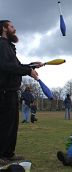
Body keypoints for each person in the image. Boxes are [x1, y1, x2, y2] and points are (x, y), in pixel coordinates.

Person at [0, 20, 42, 165]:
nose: (15, 29)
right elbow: (7, 67)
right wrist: (28, 71)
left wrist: (31, 66)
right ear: (4, 29)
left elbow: (17, 66)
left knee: (13, 125)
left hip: (11, 92)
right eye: (11, 26)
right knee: (5, 124)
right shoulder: (2, 45)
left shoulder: (8, 47)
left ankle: (8, 154)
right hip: (3, 93)